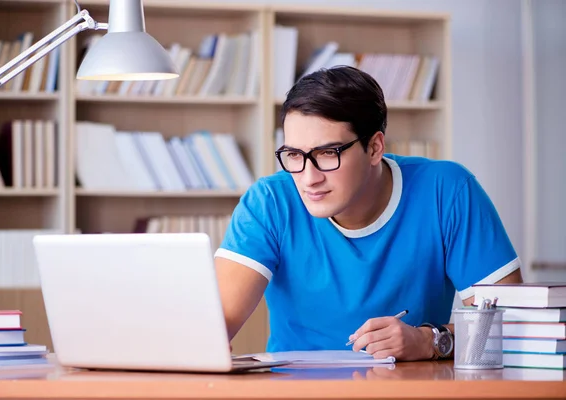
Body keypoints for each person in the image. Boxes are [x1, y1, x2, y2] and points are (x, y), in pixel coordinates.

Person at [214, 66, 522, 361]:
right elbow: (211, 328)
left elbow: (515, 328)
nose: (309, 178)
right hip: (295, 391)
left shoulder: (448, 191)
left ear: (374, 148)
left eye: (327, 153)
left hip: (408, 391)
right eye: (294, 155)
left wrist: (428, 341)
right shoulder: (269, 202)